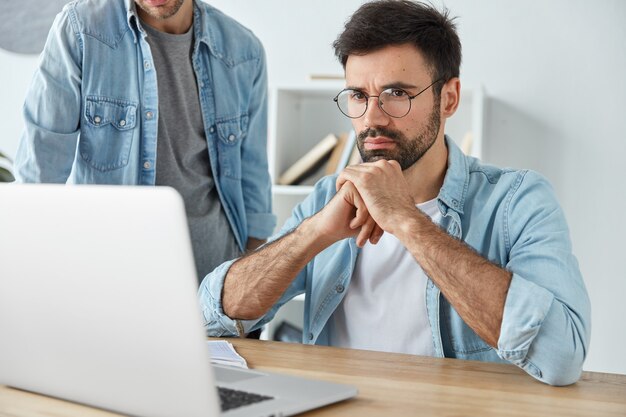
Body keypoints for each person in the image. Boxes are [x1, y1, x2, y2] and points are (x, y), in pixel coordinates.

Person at [199, 0, 591, 385]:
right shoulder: (325, 198)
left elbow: (562, 359)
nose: (372, 118)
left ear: (449, 98)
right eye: (358, 95)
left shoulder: (518, 201)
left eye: (397, 94)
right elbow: (211, 316)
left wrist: (406, 221)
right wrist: (314, 233)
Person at [13, 0, 276, 283]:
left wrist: (249, 296)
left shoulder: (244, 52)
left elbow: (254, 185)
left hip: (212, 281)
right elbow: (38, 178)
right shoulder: (81, 30)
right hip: (108, 275)